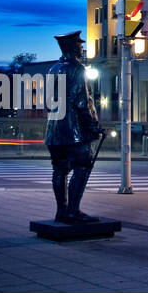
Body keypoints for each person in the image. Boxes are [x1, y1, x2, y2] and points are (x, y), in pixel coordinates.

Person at [45, 31, 104, 223]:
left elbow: (47, 102)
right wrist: (93, 126)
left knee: (59, 169)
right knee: (82, 167)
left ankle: (61, 211)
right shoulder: (78, 69)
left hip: (54, 130)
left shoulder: (53, 69)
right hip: (74, 130)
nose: (82, 48)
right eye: (79, 45)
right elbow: (82, 102)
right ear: (72, 47)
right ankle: (72, 210)